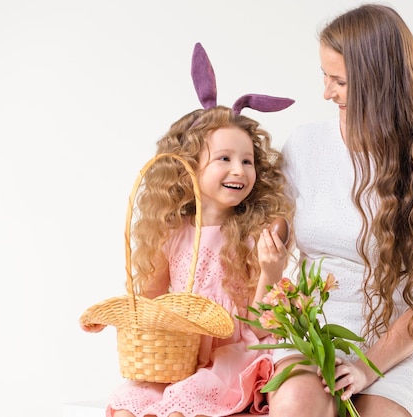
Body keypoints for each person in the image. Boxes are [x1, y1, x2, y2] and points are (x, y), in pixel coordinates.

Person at [267, 4, 413, 417]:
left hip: (402, 335)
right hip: (317, 324)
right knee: (298, 405)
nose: (326, 93)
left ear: (379, 84)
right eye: (325, 76)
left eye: (340, 81)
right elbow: (265, 242)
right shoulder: (305, 144)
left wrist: (368, 367)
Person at [81, 43, 295, 417]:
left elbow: (261, 327)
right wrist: (127, 316)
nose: (239, 171)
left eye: (247, 160)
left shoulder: (253, 233)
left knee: (185, 405)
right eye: (224, 159)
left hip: (231, 353)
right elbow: (149, 300)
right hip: (177, 352)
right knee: (132, 406)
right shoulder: (172, 232)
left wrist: (272, 270)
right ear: (188, 166)